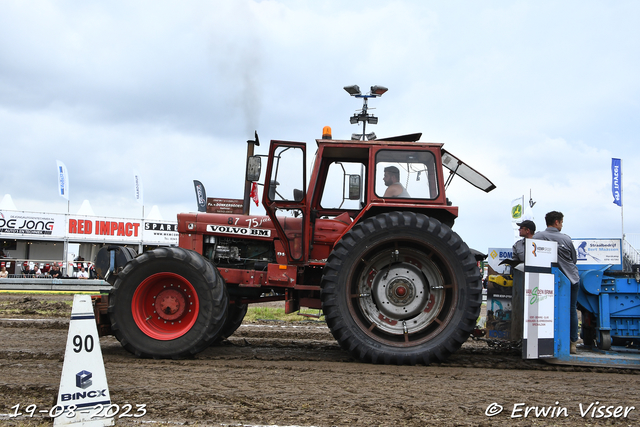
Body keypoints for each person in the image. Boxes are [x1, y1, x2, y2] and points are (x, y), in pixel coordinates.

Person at [533, 211, 580, 354]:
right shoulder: (566, 239)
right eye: (561, 222)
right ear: (557, 222)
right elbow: (574, 259)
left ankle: (545, 340)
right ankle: (572, 343)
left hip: (547, 281)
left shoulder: (537, 237)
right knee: (571, 309)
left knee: (547, 309)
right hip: (571, 279)